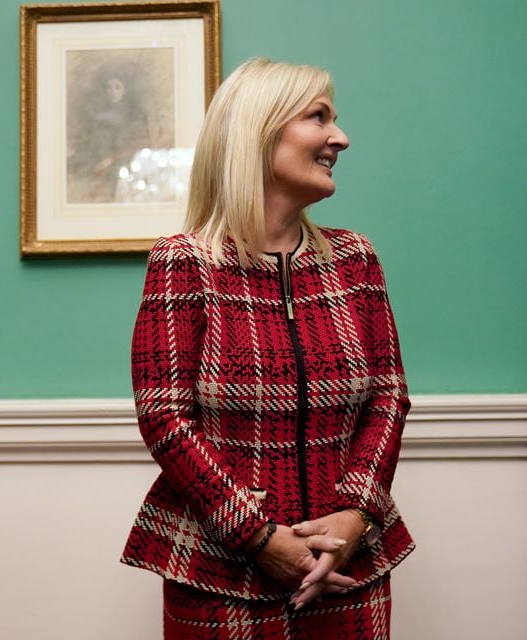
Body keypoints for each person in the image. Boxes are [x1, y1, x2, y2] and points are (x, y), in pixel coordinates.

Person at [121, 57, 414, 639]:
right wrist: (258, 538)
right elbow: (165, 418)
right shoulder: (184, 263)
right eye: (319, 117)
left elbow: (388, 398)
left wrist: (356, 515)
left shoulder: (355, 259)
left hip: (347, 565)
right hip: (219, 573)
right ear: (259, 131)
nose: (341, 138)